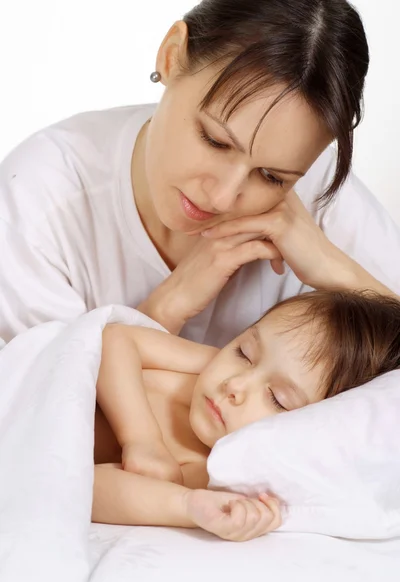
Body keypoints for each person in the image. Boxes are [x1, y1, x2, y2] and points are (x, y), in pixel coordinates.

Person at [0, 0, 399, 348]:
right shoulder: (37, 201)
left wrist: (337, 272)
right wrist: (166, 308)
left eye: (272, 177)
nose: (223, 197)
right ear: (171, 56)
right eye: (215, 140)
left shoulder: (318, 196)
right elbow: (49, 417)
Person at [92, 289, 400, 541]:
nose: (235, 384)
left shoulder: (207, 468)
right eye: (245, 352)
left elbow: (84, 487)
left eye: (277, 398)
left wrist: (185, 506)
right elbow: (116, 339)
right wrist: (141, 438)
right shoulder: (206, 366)